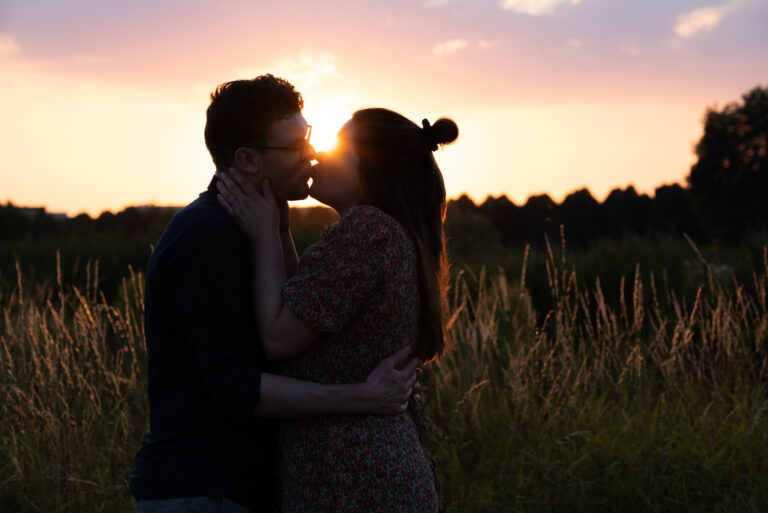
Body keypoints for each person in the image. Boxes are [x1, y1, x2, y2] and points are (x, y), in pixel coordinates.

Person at [129, 76, 420, 513]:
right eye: (295, 144)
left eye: (309, 137)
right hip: (204, 490)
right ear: (247, 159)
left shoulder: (258, 226)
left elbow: (295, 325)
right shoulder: (207, 237)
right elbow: (235, 385)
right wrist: (361, 396)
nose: (312, 154)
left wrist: (277, 231)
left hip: (238, 486)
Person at [215, 107, 458, 512]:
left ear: (370, 169)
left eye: (339, 148)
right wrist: (279, 226)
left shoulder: (367, 232)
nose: (320, 155)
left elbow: (277, 337)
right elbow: (301, 305)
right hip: (370, 467)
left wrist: (262, 234)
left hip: (353, 473)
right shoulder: (392, 234)